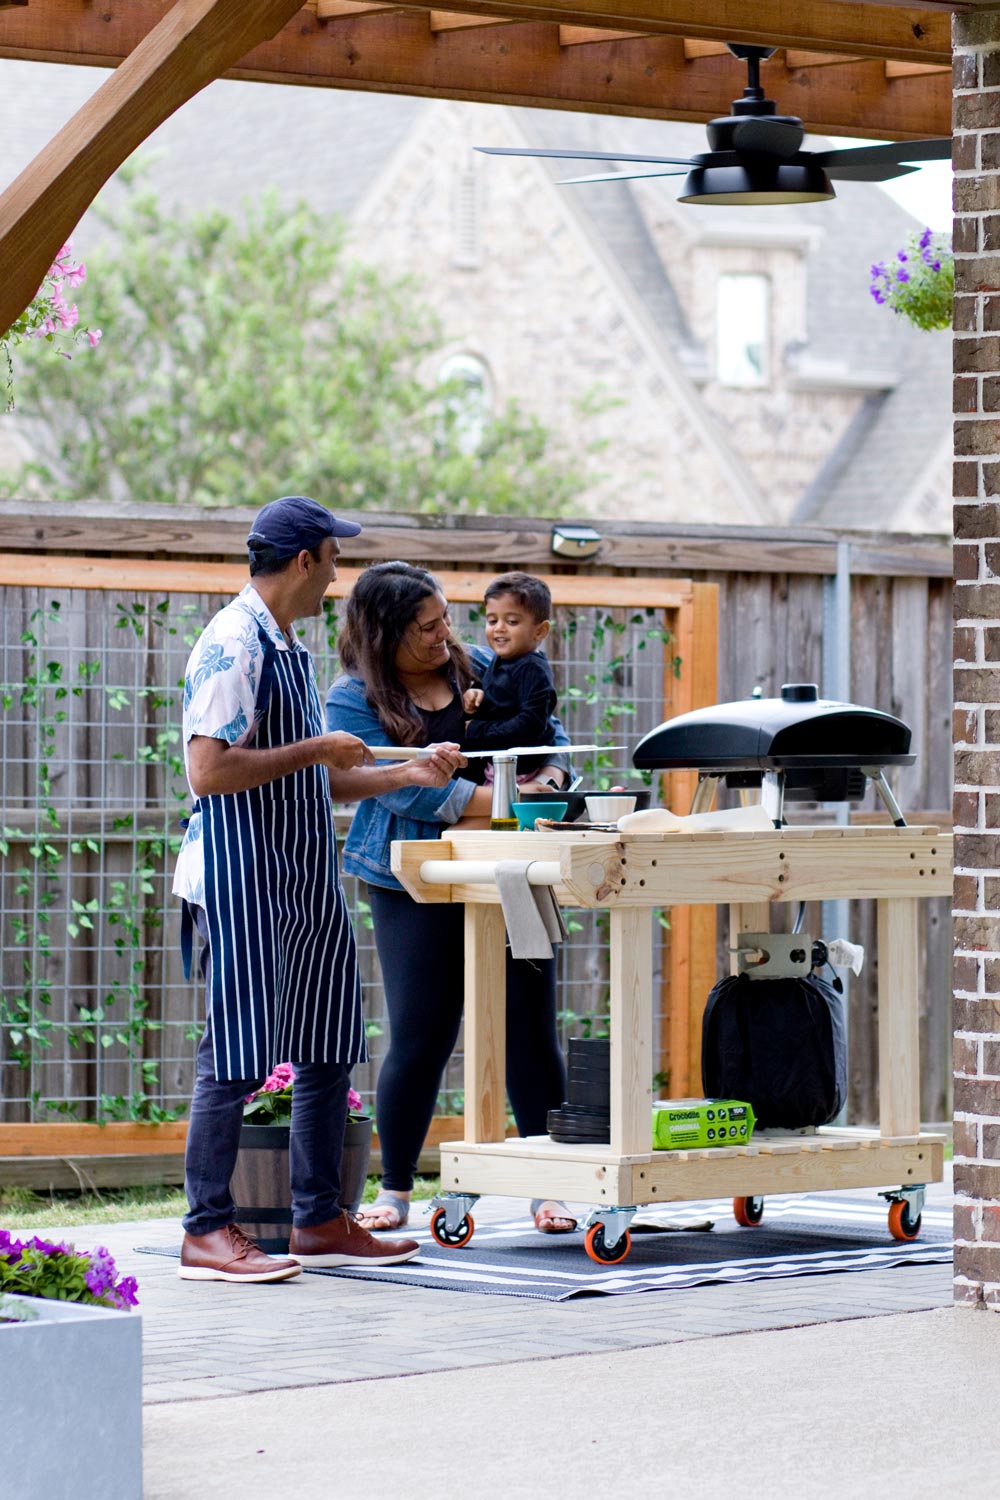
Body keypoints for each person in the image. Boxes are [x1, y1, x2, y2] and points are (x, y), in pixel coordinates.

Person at [173, 498, 466, 1283]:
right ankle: (205, 1231)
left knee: (330, 1041)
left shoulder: (285, 643)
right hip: (242, 874)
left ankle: (318, 1221)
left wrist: (405, 770)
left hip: (302, 875)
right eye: (334, 557)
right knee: (235, 1053)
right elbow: (208, 771)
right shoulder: (235, 642)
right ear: (305, 559)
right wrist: (313, 748)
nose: (339, 571)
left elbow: (320, 779)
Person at [325, 561, 577, 1235]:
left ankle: (546, 1182)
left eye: (445, 621)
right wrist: (509, 803)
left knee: (530, 1026)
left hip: (512, 871)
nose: (447, 635)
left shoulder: (481, 670)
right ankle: (399, 1186)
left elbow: (545, 736)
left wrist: (553, 775)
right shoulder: (352, 699)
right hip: (414, 877)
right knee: (422, 1032)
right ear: (385, 633)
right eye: (428, 627)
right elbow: (406, 789)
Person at [462, 572, 557, 783]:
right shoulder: (501, 659)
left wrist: (477, 730)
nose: (499, 628)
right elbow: (496, 694)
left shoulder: (532, 669)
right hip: (498, 762)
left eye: (512, 621)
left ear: (540, 631)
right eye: (492, 620)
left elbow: (530, 724)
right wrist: (477, 693)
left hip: (521, 771)